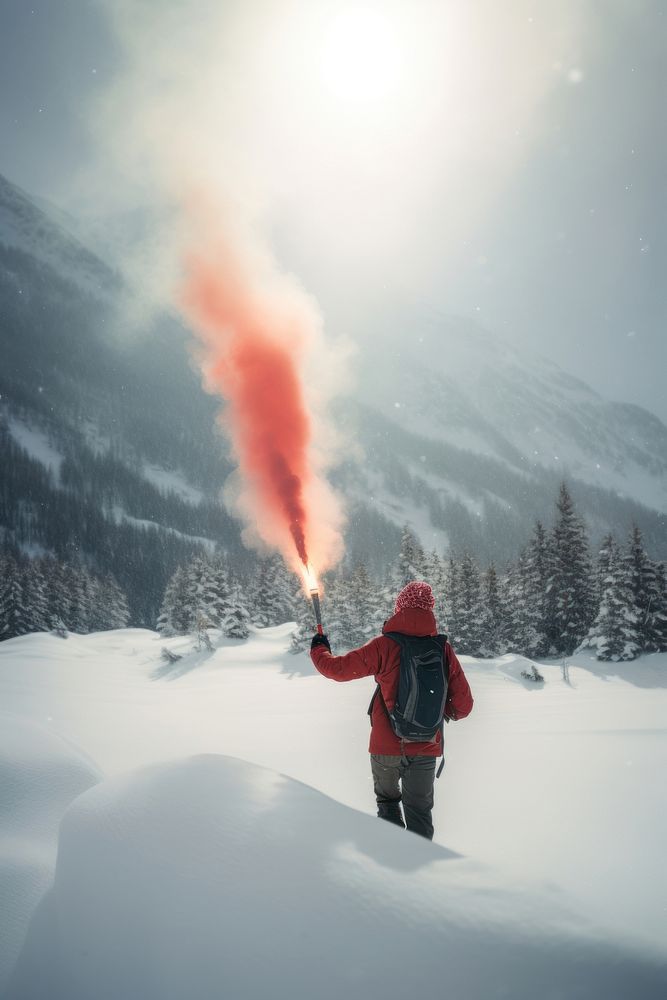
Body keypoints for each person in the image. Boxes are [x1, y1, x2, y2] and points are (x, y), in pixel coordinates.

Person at [310, 580, 473, 840]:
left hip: (385, 747)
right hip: (426, 747)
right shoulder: (442, 649)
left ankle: (391, 867)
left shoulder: (385, 646)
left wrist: (319, 648)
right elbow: (464, 706)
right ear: (430, 610)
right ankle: (421, 871)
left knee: (388, 806)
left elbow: (337, 670)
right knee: (419, 814)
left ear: (399, 608)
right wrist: (438, 711)